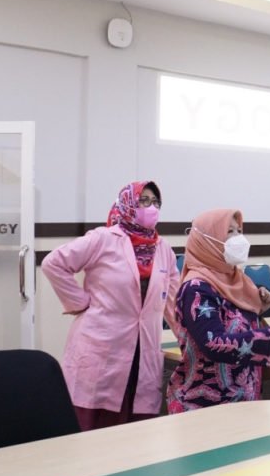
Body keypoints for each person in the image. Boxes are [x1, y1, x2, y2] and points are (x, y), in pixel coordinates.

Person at [41, 181, 179, 431]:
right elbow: (53, 264)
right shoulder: (103, 238)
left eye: (156, 202)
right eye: (144, 201)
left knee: (137, 431)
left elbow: (174, 299)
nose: (151, 207)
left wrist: (186, 338)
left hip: (143, 350)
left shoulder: (163, 249)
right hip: (102, 348)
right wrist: (79, 302)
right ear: (128, 203)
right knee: (95, 431)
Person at [166, 209, 270, 411]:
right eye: (230, 231)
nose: (239, 238)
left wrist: (258, 309)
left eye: (239, 231)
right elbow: (212, 342)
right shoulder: (196, 288)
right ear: (208, 240)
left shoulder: (237, 280)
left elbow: (231, 323)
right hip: (205, 405)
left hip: (242, 399)